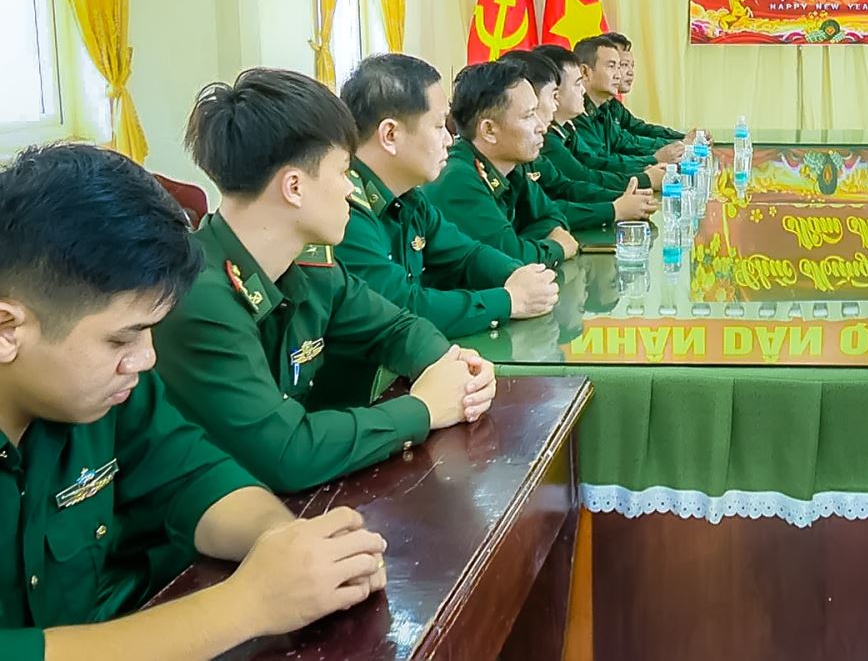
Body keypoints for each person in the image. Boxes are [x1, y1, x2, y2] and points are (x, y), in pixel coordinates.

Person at [0, 144, 391, 658]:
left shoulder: (107, 393)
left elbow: (193, 477)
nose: (145, 358)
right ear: (7, 329)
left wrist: (287, 546)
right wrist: (246, 605)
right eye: (121, 339)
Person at [153, 68, 496, 493]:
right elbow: (288, 453)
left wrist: (453, 368)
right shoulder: (200, 297)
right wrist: (424, 409)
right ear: (294, 187)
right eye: (343, 172)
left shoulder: (310, 267)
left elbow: (396, 327)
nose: (351, 190)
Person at [335, 53, 559, 339]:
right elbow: (401, 307)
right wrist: (509, 300)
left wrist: (516, 275)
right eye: (439, 126)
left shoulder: (409, 198)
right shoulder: (343, 210)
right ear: (390, 135)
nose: (449, 140)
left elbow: (466, 254)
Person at [424, 59, 580, 265]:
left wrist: (523, 242)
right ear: (489, 130)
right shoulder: (457, 178)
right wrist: (557, 247)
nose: (541, 127)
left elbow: (553, 216)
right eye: (528, 116)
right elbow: (510, 258)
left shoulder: (512, 167)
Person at [518, 49, 659, 230]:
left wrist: (625, 198)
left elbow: (568, 185)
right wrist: (617, 207)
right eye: (612, 66)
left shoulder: (570, 126)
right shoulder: (546, 141)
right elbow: (581, 177)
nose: (583, 90)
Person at [569, 35, 683, 178]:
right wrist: (652, 163)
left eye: (619, 67)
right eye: (612, 66)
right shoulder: (575, 113)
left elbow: (626, 142)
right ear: (585, 72)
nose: (619, 75)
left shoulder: (604, 109)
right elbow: (598, 164)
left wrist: (676, 145)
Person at [603, 32, 693, 149]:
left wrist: (684, 138)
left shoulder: (614, 106)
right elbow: (625, 144)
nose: (630, 72)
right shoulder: (588, 110)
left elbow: (641, 129)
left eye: (632, 66)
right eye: (623, 65)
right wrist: (678, 144)